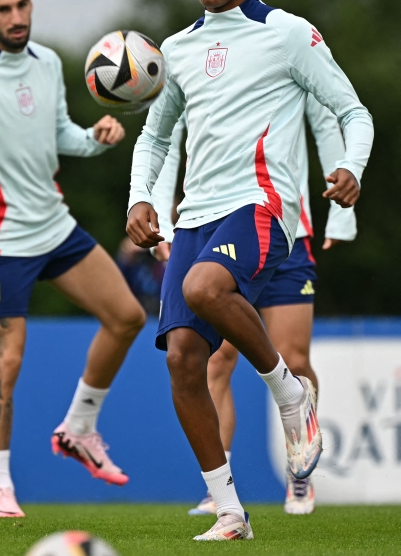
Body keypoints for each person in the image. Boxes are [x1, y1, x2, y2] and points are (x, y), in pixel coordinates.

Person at [126, 0, 373, 541]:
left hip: (262, 204)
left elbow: (353, 112)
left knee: (204, 288)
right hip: (194, 217)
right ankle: (230, 512)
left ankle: (290, 394)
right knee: (183, 360)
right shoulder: (176, 49)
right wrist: (140, 199)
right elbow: (155, 137)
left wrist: (350, 167)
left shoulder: (287, 33)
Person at [0, 0, 147, 519]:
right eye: (3, 9)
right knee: (8, 361)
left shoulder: (46, 62)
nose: (17, 16)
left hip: (55, 227)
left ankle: (78, 429)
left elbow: (56, 133)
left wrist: (94, 138)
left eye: (22, 4)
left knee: (127, 317)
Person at [154, 100, 357, 517]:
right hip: (217, 228)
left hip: (284, 229)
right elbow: (165, 138)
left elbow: (327, 120)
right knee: (216, 361)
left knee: (294, 357)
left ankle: (299, 472)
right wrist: (161, 216)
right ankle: (220, 490)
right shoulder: (193, 68)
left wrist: (342, 216)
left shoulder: (280, 62)